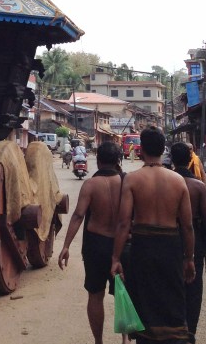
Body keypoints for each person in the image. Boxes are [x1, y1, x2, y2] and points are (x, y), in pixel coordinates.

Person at [111, 126, 195, 344]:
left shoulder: (132, 179)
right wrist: (189, 258)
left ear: (142, 150)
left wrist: (116, 258)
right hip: (171, 245)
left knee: (145, 298)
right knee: (173, 297)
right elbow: (187, 226)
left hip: (143, 245)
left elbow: (123, 223)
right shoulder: (178, 181)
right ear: (162, 149)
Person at [58, 142, 129, 344]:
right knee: (122, 293)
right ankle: (125, 339)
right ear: (118, 161)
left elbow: (78, 216)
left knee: (95, 295)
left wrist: (65, 246)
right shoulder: (126, 183)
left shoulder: (90, 184)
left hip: (96, 245)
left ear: (97, 161)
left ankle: (99, 341)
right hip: (121, 245)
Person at [170, 142, 206, 344]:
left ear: (173, 161)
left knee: (174, 283)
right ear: (190, 159)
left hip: (171, 238)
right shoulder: (198, 186)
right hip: (196, 240)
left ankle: (174, 327)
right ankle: (189, 332)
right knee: (193, 287)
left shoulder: (169, 183)